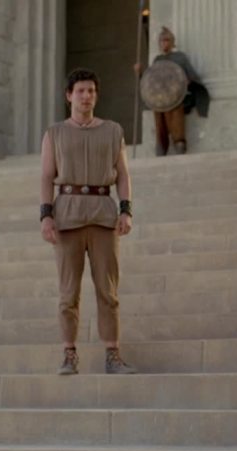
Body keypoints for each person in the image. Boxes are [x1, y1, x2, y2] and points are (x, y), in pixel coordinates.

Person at [39, 68, 137, 375]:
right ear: (69, 96)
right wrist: (45, 215)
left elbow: (123, 174)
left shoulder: (113, 131)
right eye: (80, 91)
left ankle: (112, 355)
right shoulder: (54, 134)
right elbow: (46, 176)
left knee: (108, 291)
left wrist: (126, 210)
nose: (86, 96)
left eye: (91, 91)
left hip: (103, 216)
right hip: (66, 216)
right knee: (68, 293)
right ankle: (69, 354)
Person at [135, 26, 209, 156]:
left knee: (174, 110)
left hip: (180, 97)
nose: (164, 43)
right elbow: (152, 82)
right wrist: (140, 73)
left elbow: (192, 76)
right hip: (161, 99)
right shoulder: (158, 60)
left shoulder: (180, 58)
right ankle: (161, 145)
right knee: (158, 111)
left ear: (172, 42)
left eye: (167, 40)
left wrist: (187, 81)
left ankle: (179, 142)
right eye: (162, 41)